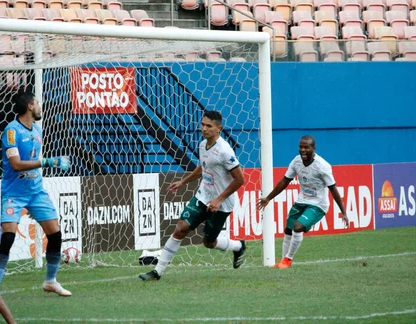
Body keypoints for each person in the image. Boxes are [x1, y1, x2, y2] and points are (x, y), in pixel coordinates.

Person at [139, 110, 246, 281]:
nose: (204, 129)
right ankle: (157, 272)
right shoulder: (203, 145)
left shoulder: (225, 151)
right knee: (181, 229)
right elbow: (203, 167)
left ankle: (238, 246)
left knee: (209, 242)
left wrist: (218, 200)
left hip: (221, 203)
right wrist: (183, 182)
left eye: (209, 126)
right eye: (202, 124)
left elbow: (240, 179)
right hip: (203, 196)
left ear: (219, 128)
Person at [0, 90, 72, 296]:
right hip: (14, 193)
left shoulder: (37, 130)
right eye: (37, 102)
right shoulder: (11, 131)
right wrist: (47, 161)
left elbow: (32, 160)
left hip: (36, 191)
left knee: (55, 234)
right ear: (29, 106)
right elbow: (16, 164)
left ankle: (50, 281)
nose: (40, 106)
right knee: (8, 238)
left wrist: (43, 164)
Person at [257, 135, 349, 268]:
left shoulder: (323, 166)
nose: (303, 150)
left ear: (314, 148)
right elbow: (284, 181)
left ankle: (288, 260)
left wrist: (343, 212)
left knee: (297, 227)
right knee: (288, 230)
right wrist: (268, 198)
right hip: (302, 200)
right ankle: (283, 261)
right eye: (301, 147)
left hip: (318, 205)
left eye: (306, 147)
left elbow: (333, 189)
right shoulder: (296, 162)